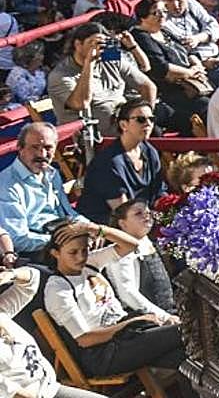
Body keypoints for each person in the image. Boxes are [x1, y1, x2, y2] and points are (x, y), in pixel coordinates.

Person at [42, 220, 186, 379]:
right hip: (104, 353)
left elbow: (131, 245)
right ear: (55, 253)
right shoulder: (58, 289)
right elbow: (85, 339)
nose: (80, 257)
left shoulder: (89, 264)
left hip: (129, 333)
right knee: (186, 330)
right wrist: (132, 323)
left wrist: (95, 228)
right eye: (73, 252)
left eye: (84, 250)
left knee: (185, 356)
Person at [0, 259, 101, 398]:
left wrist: (10, 274)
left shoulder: (2, 312)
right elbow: (10, 391)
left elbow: (32, 280)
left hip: (50, 389)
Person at [46, 24, 157, 139]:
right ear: (78, 45)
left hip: (124, 125)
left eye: (103, 43)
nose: (99, 48)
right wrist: (89, 63)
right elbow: (81, 103)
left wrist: (146, 117)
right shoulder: (60, 75)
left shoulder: (110, 59)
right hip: (89, 137)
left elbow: (148, 87)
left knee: (155, 129)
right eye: (94, 43)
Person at [127, 0, 211, 136]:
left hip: (191, 81)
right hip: (169, 89)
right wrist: (190, 72)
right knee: (205, 107)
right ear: (143, 17)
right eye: (156, 13)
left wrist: (196, 64)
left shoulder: (164, 31)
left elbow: (187, 49)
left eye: (164, 11)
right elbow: (161, 69)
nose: (162, 15)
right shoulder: (141, 37)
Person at [76, 99, 163, 223]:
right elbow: (123, 212)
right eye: (141, 119)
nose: (148, 124)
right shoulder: (109, 162)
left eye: (151, 119)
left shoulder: (150, 152)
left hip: (140, 219)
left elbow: (159, 192)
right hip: (106, 225)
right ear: (123, 125)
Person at [0, 123, 79, 258]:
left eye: (48, 148)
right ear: (20, 148)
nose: (42, 153)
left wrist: (93, 229)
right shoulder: (6, 185)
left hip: (62, 236)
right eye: (35, 147)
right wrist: (66, 240)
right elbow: (18, 239)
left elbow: (68, 212)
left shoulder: (51, 173)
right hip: (38, 250)